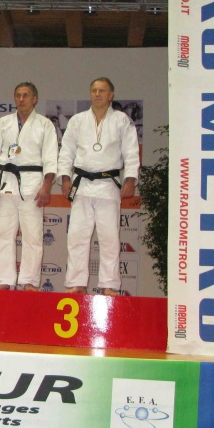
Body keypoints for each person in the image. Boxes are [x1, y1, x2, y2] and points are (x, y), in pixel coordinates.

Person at [57, 77, 140, 295]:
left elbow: (131, 153)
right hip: (82, 184)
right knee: (77, 236)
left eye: (102, 90)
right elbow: (66, 152)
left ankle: (109, 284)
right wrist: (65, 178)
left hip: (108, 185)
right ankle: (76, 283)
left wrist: (130, 179)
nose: (97, 94)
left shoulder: (122, 120)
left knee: (109, 238)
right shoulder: (77, 120)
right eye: (94, 90)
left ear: (111, 95)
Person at [0, 83, 59, 290]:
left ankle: (29, 281)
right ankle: (4, 280)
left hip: (33, 186)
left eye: (25, 95)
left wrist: (47, 186)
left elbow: (51, 158)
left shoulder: (45, 125)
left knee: (32, 235)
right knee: (2, 234)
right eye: (18, 95)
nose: (21, 99)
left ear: (35, 99)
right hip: (5, 183)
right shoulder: (2, 123)